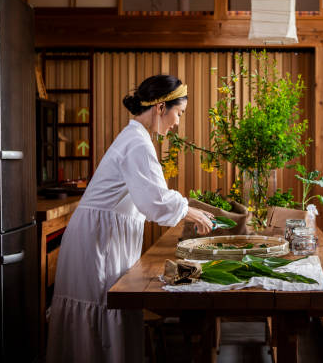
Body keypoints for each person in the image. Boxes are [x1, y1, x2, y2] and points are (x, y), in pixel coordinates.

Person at [47, 75, 214, 362]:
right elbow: (154, 202)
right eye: (178, 113)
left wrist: (187, 208)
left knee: (105, 313)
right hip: (97, 242)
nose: (177, 123)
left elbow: (151, 198)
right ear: (161, 107)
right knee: (101, 311)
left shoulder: (136, 137)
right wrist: (190, 209)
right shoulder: (137, 143)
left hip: (99, 236)